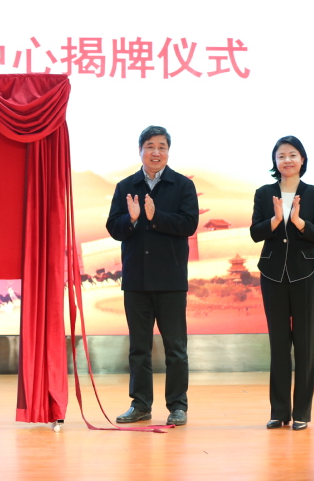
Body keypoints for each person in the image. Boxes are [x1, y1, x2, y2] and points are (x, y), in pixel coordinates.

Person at [106, 125, 199, 427]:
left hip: (171, 280)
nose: (156, 152)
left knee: (176, 349)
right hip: (136, 279)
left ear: (168, 152)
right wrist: (132, 219)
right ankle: (140, 404)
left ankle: (178, 406)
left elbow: (189, 224)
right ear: (140, 151)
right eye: (150, 146)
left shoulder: (182, 185)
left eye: (161, 147)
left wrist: (155, 217)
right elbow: (113, 226)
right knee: (139, 348)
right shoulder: (126, 186)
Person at [250, 136, 314, 431]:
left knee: (304, 344)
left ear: (302, 159)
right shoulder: (264, 193)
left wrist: (298, 221)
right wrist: (275, 220)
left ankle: (302, 412)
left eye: (293, 155)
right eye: (281, 156)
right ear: (275, 162)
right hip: (272, 273)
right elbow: (255, 232)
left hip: (306, 273)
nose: (287, 160)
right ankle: (279, 411)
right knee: (279, 344)